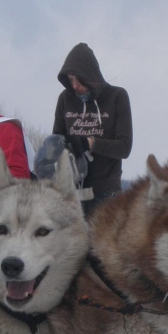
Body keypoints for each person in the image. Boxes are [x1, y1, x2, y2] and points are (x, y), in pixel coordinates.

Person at [53, 43, 133, 216]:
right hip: (71, 191)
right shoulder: (65, 99)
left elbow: (124, 147)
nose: (74, 85)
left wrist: (90, 143)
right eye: (70, 80)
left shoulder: (117, 97)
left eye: (78, 79)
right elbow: (56, 141)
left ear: (90, 76)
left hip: (106, 193)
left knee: (102, 243)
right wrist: (67, 145)